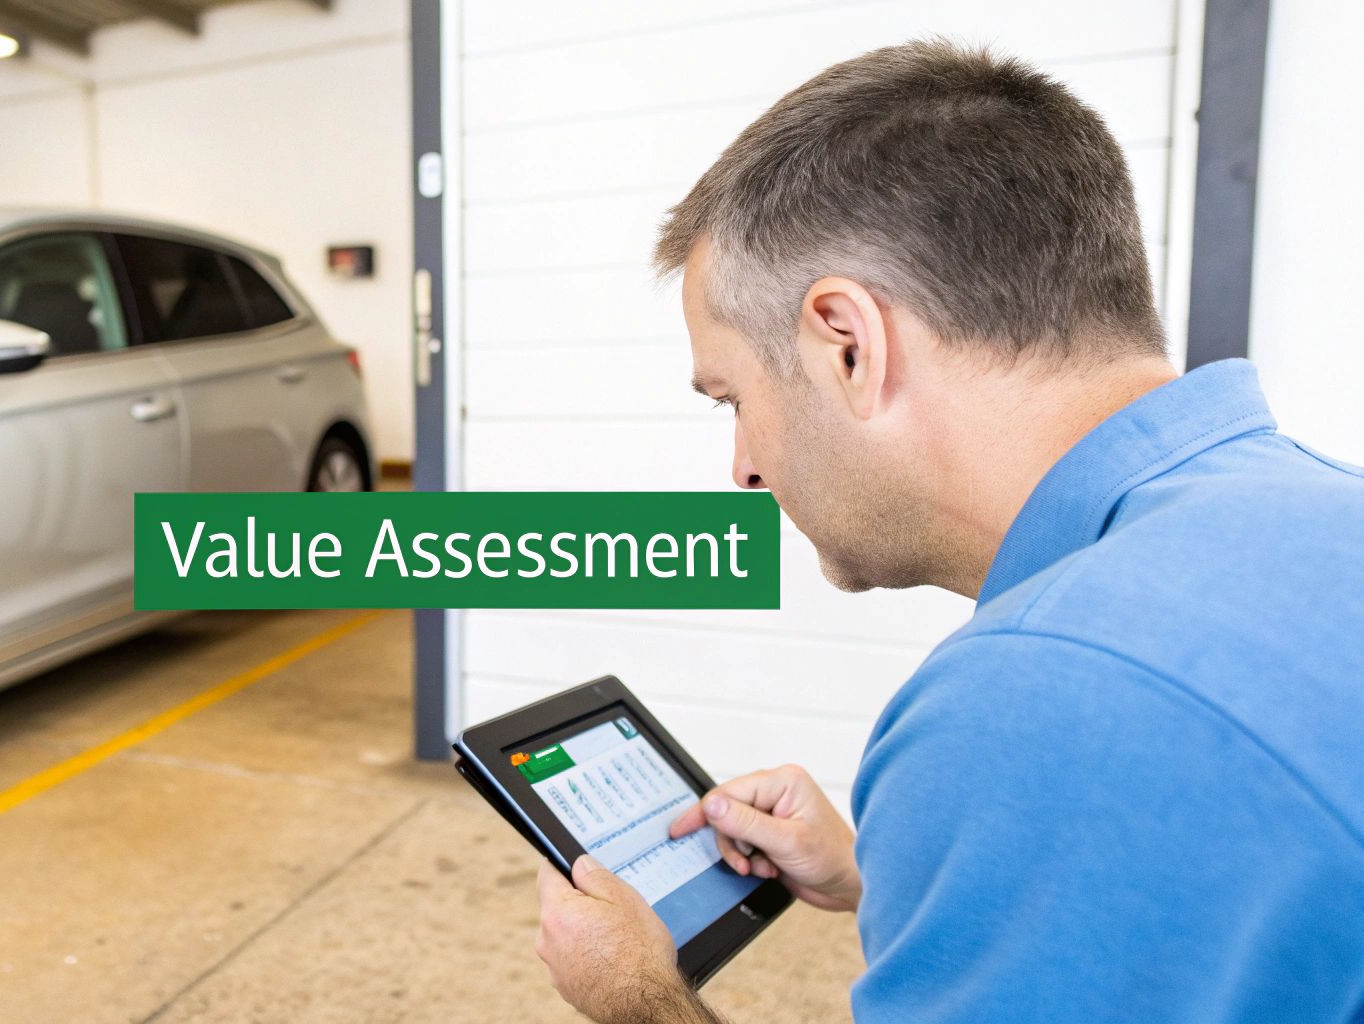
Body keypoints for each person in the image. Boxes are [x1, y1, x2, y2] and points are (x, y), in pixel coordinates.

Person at [532, 39, 1364, 1024]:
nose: (743, 468)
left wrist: (632, 994)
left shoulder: (1034, 698)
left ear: (846, 343)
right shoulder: (1311, 507)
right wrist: (889, 874)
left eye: (731, 399)